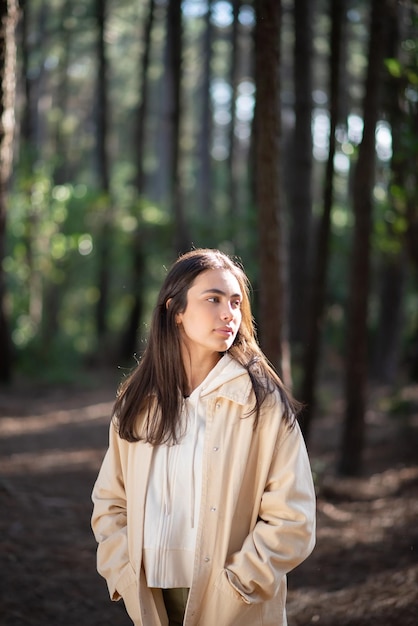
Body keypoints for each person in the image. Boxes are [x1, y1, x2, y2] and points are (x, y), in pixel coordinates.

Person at [91, 248, 316, 626]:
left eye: (235, 302)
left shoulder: (261, 404)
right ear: (175, 311)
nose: (229, 313)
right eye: (213, 299)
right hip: (152, 602)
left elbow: (293, 519)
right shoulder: (138, 403)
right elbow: (111, 503)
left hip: (234, 603)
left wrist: (239, 585)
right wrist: (123, 573)